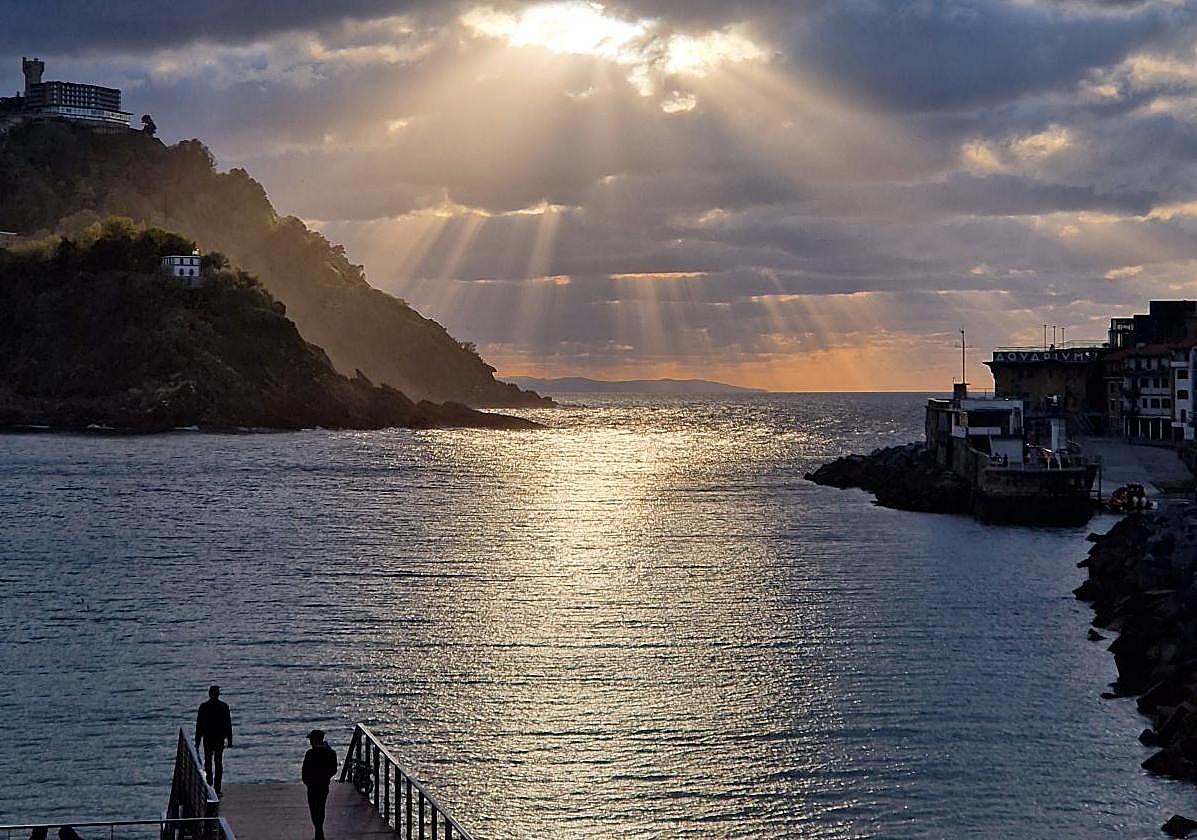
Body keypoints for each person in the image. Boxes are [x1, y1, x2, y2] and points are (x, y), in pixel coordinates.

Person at [194, 685, 233, 795]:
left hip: (208, 738)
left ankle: (209, 784)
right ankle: (217, 788)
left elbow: (199, 725)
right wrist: (229, 740)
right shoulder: (224, 706)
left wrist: (197, 741)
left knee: (208, 762)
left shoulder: (203, 707)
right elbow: (228, 724)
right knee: (218, 762)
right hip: (219, 738)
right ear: (218, 694)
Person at [302, 729, 339, 840]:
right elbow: (333, 769)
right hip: (322, 784)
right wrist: (326, 777)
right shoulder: (331, 752)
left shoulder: (310, 753)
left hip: (313, 784)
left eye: (312, 739)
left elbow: (305, 769)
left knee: (314, 807)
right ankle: (319, 828)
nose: (310, 742)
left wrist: (307, 780)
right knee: (320, 806)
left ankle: (318, 829)